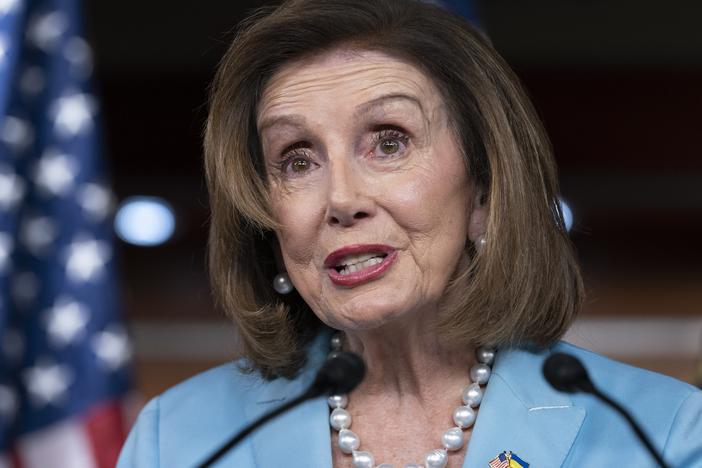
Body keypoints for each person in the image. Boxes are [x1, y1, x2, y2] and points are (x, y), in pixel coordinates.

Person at [117, 0, 702, 467]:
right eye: (297, 160)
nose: (342, 199)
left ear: (483, 192)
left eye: (389, 141)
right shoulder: (178, 438)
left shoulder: (664, 431)